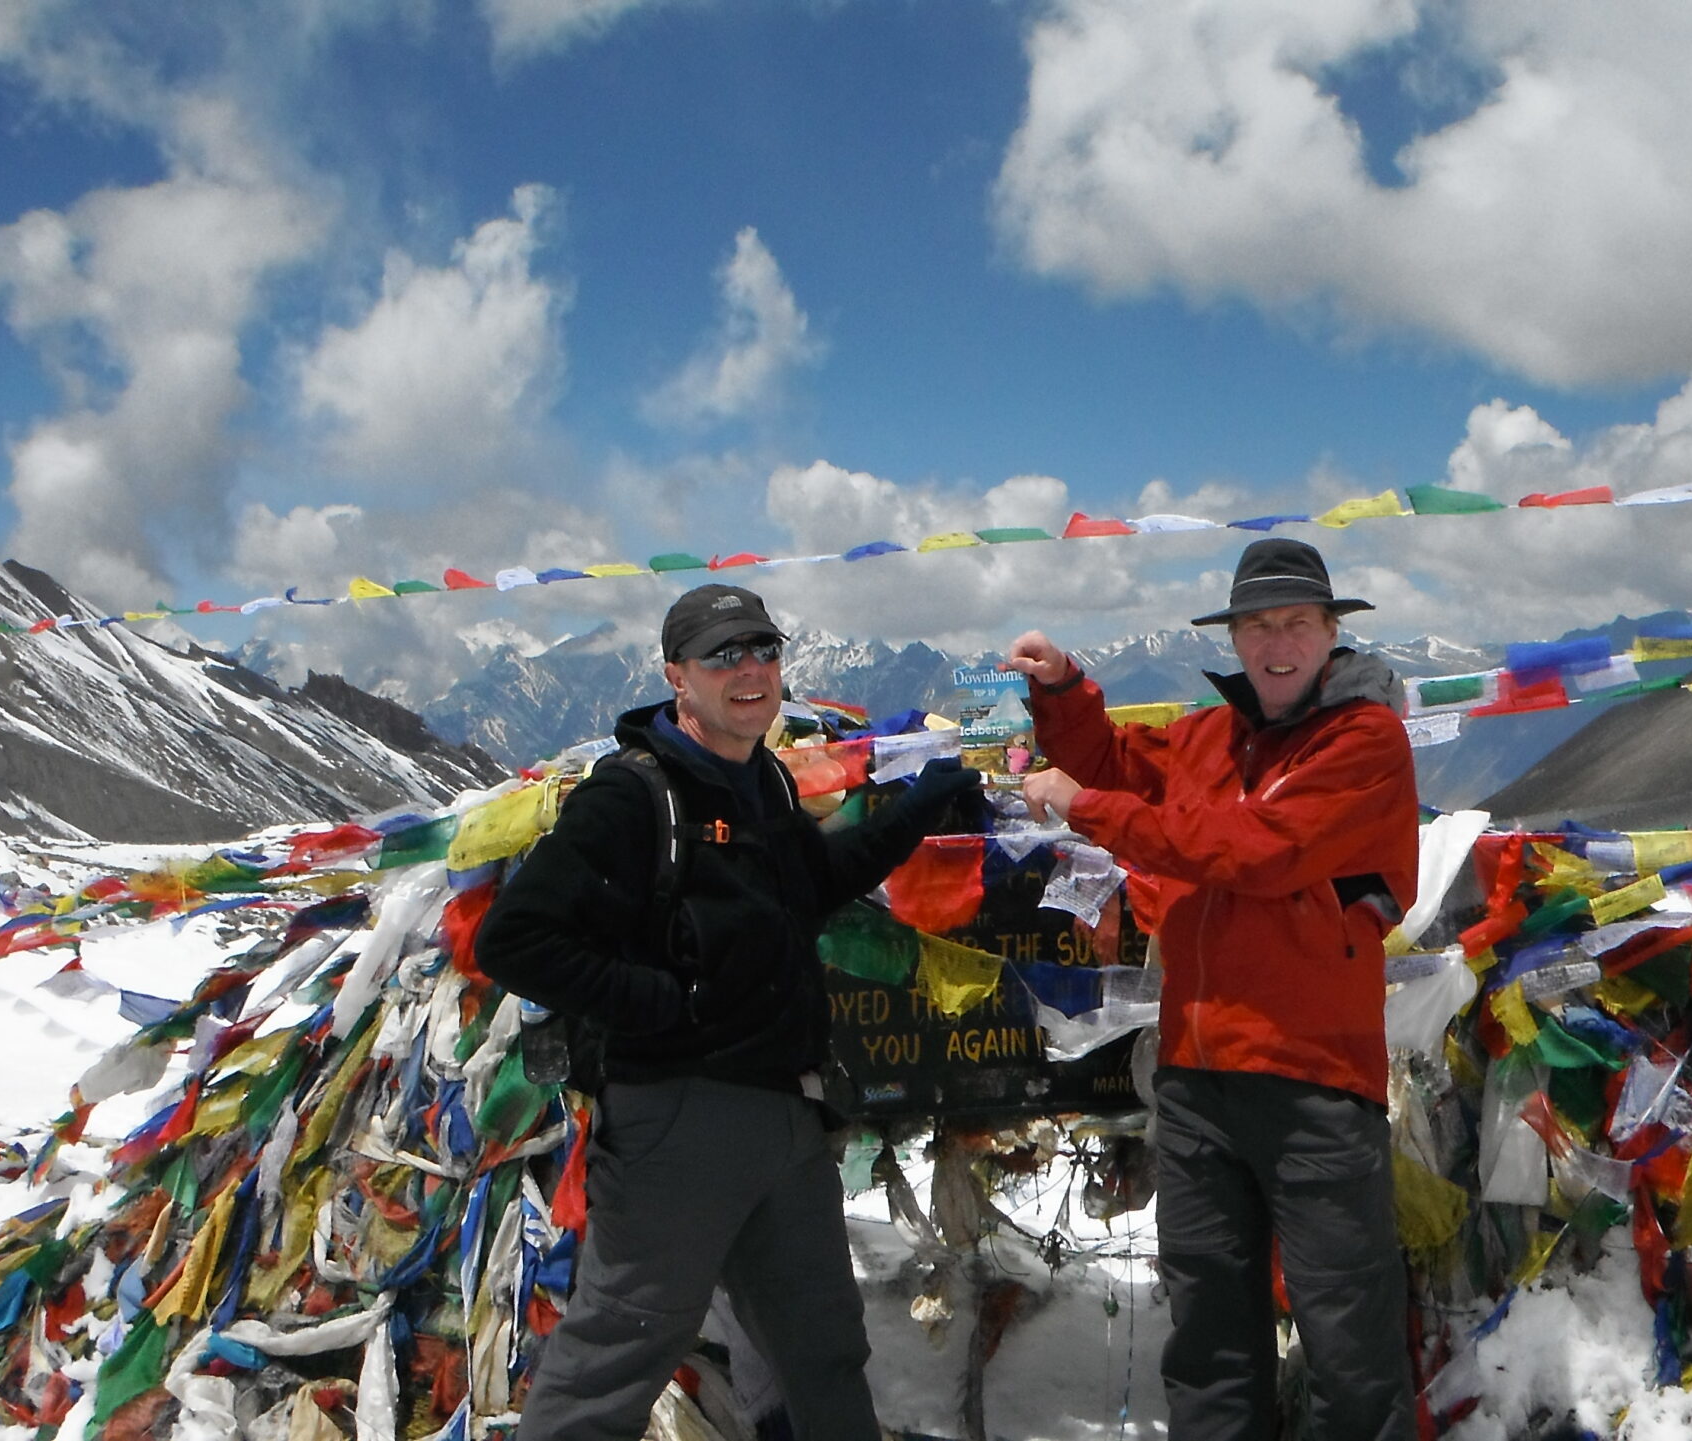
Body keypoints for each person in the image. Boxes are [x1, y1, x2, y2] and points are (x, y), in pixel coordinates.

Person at [475, 582, 982, 1441]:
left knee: (823, 1346)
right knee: (619, 1352)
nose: (750, 669)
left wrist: (915, 812)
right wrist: (659, 1002)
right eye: (723, 654)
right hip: (676, 1119)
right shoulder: (635, 797)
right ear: (678, 675)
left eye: (764, 649)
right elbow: (513, 939)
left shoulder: (765, 784)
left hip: (786, 1119)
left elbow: (810, 887)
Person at [1004, 537, 1421, 1441]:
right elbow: (1117, 762)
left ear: (1330, 632)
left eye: (1297, 623)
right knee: (1208, 1339)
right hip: (1196, 1076)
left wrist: (1086, 806)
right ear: (1235, 636)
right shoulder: (1211, 735)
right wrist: (1064, 688)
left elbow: (1253, 849)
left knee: (1349, 1341)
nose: (1278, 643)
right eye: (1259, 625)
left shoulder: (1365, 738)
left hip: (1313, 1077)